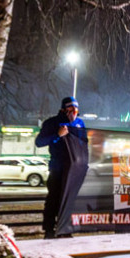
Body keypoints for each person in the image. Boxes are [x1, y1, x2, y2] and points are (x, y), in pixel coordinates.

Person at [35, 96, 89, 238]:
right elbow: (39, 142)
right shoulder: (52, 123)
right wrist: (57, 135)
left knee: (70, 200)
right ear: (63, 109)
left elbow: (85, 144)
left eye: (76, 109)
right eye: (70, 109)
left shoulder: (80, 124)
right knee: (54, 199)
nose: (73, 112)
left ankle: (66, 229)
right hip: (58, 168)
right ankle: (49, 230)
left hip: (75, 170)